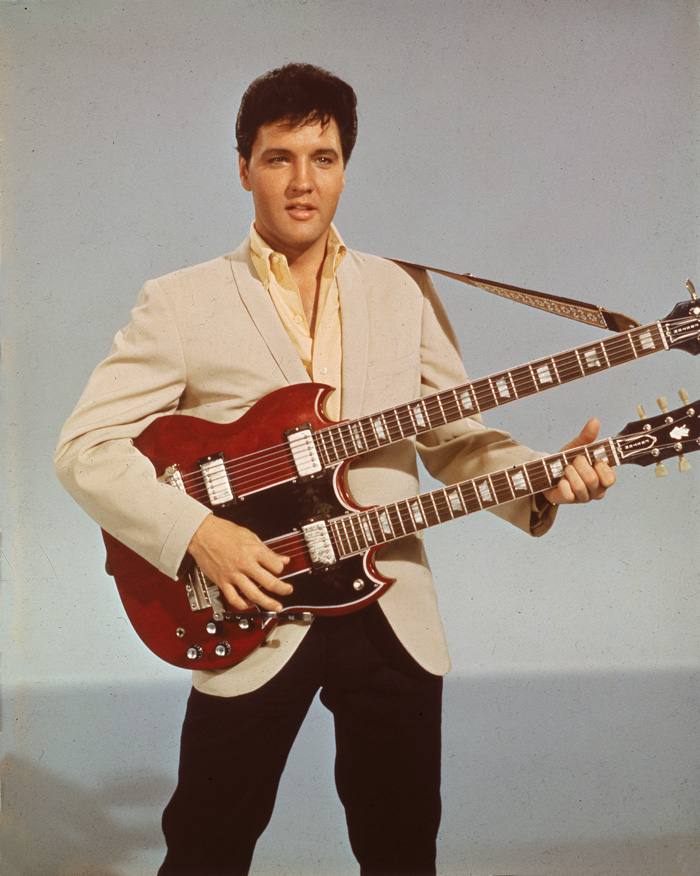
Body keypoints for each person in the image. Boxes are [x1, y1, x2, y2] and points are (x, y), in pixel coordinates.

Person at [54, 63, 615, 875]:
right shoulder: (180, 302)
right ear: (243, 167)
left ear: (346, 166)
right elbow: (86, 449)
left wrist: (546, 474)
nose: (302, 182)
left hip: (391, 612)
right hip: (253, 607)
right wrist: (198, 534)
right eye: (279, 158)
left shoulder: (402, 292)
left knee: (401, 851)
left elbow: (458, 444)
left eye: (323, 157)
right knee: (208, 848)